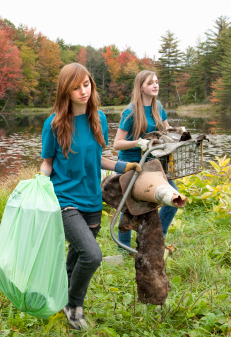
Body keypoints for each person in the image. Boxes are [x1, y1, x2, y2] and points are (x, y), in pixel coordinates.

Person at [40, 63, 141, 330]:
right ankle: (74, 307)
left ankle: (59, 296)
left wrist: (124, 166)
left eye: (86, 84)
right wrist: (40, 179)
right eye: (76, 87)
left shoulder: (99, 119)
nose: (83, 91)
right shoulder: (53, 124)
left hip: (92, 200)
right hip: (65, 200)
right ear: (66, 90)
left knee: (76, 256)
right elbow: (47, 163)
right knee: (92, 255)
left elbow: (97, 159)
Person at [113, 69, 178, 251]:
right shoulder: (130, 111)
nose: (155, 85)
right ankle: (124, 248)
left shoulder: (159, 108)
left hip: (154, 164)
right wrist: (139, 143)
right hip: (132, 165)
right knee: (129, 209)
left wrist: (179, 133)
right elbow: (117, 144)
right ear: (140, 87)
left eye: (156, 82)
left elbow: (166, 131)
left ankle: (157, 238)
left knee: (174, 198)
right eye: (150, 83)